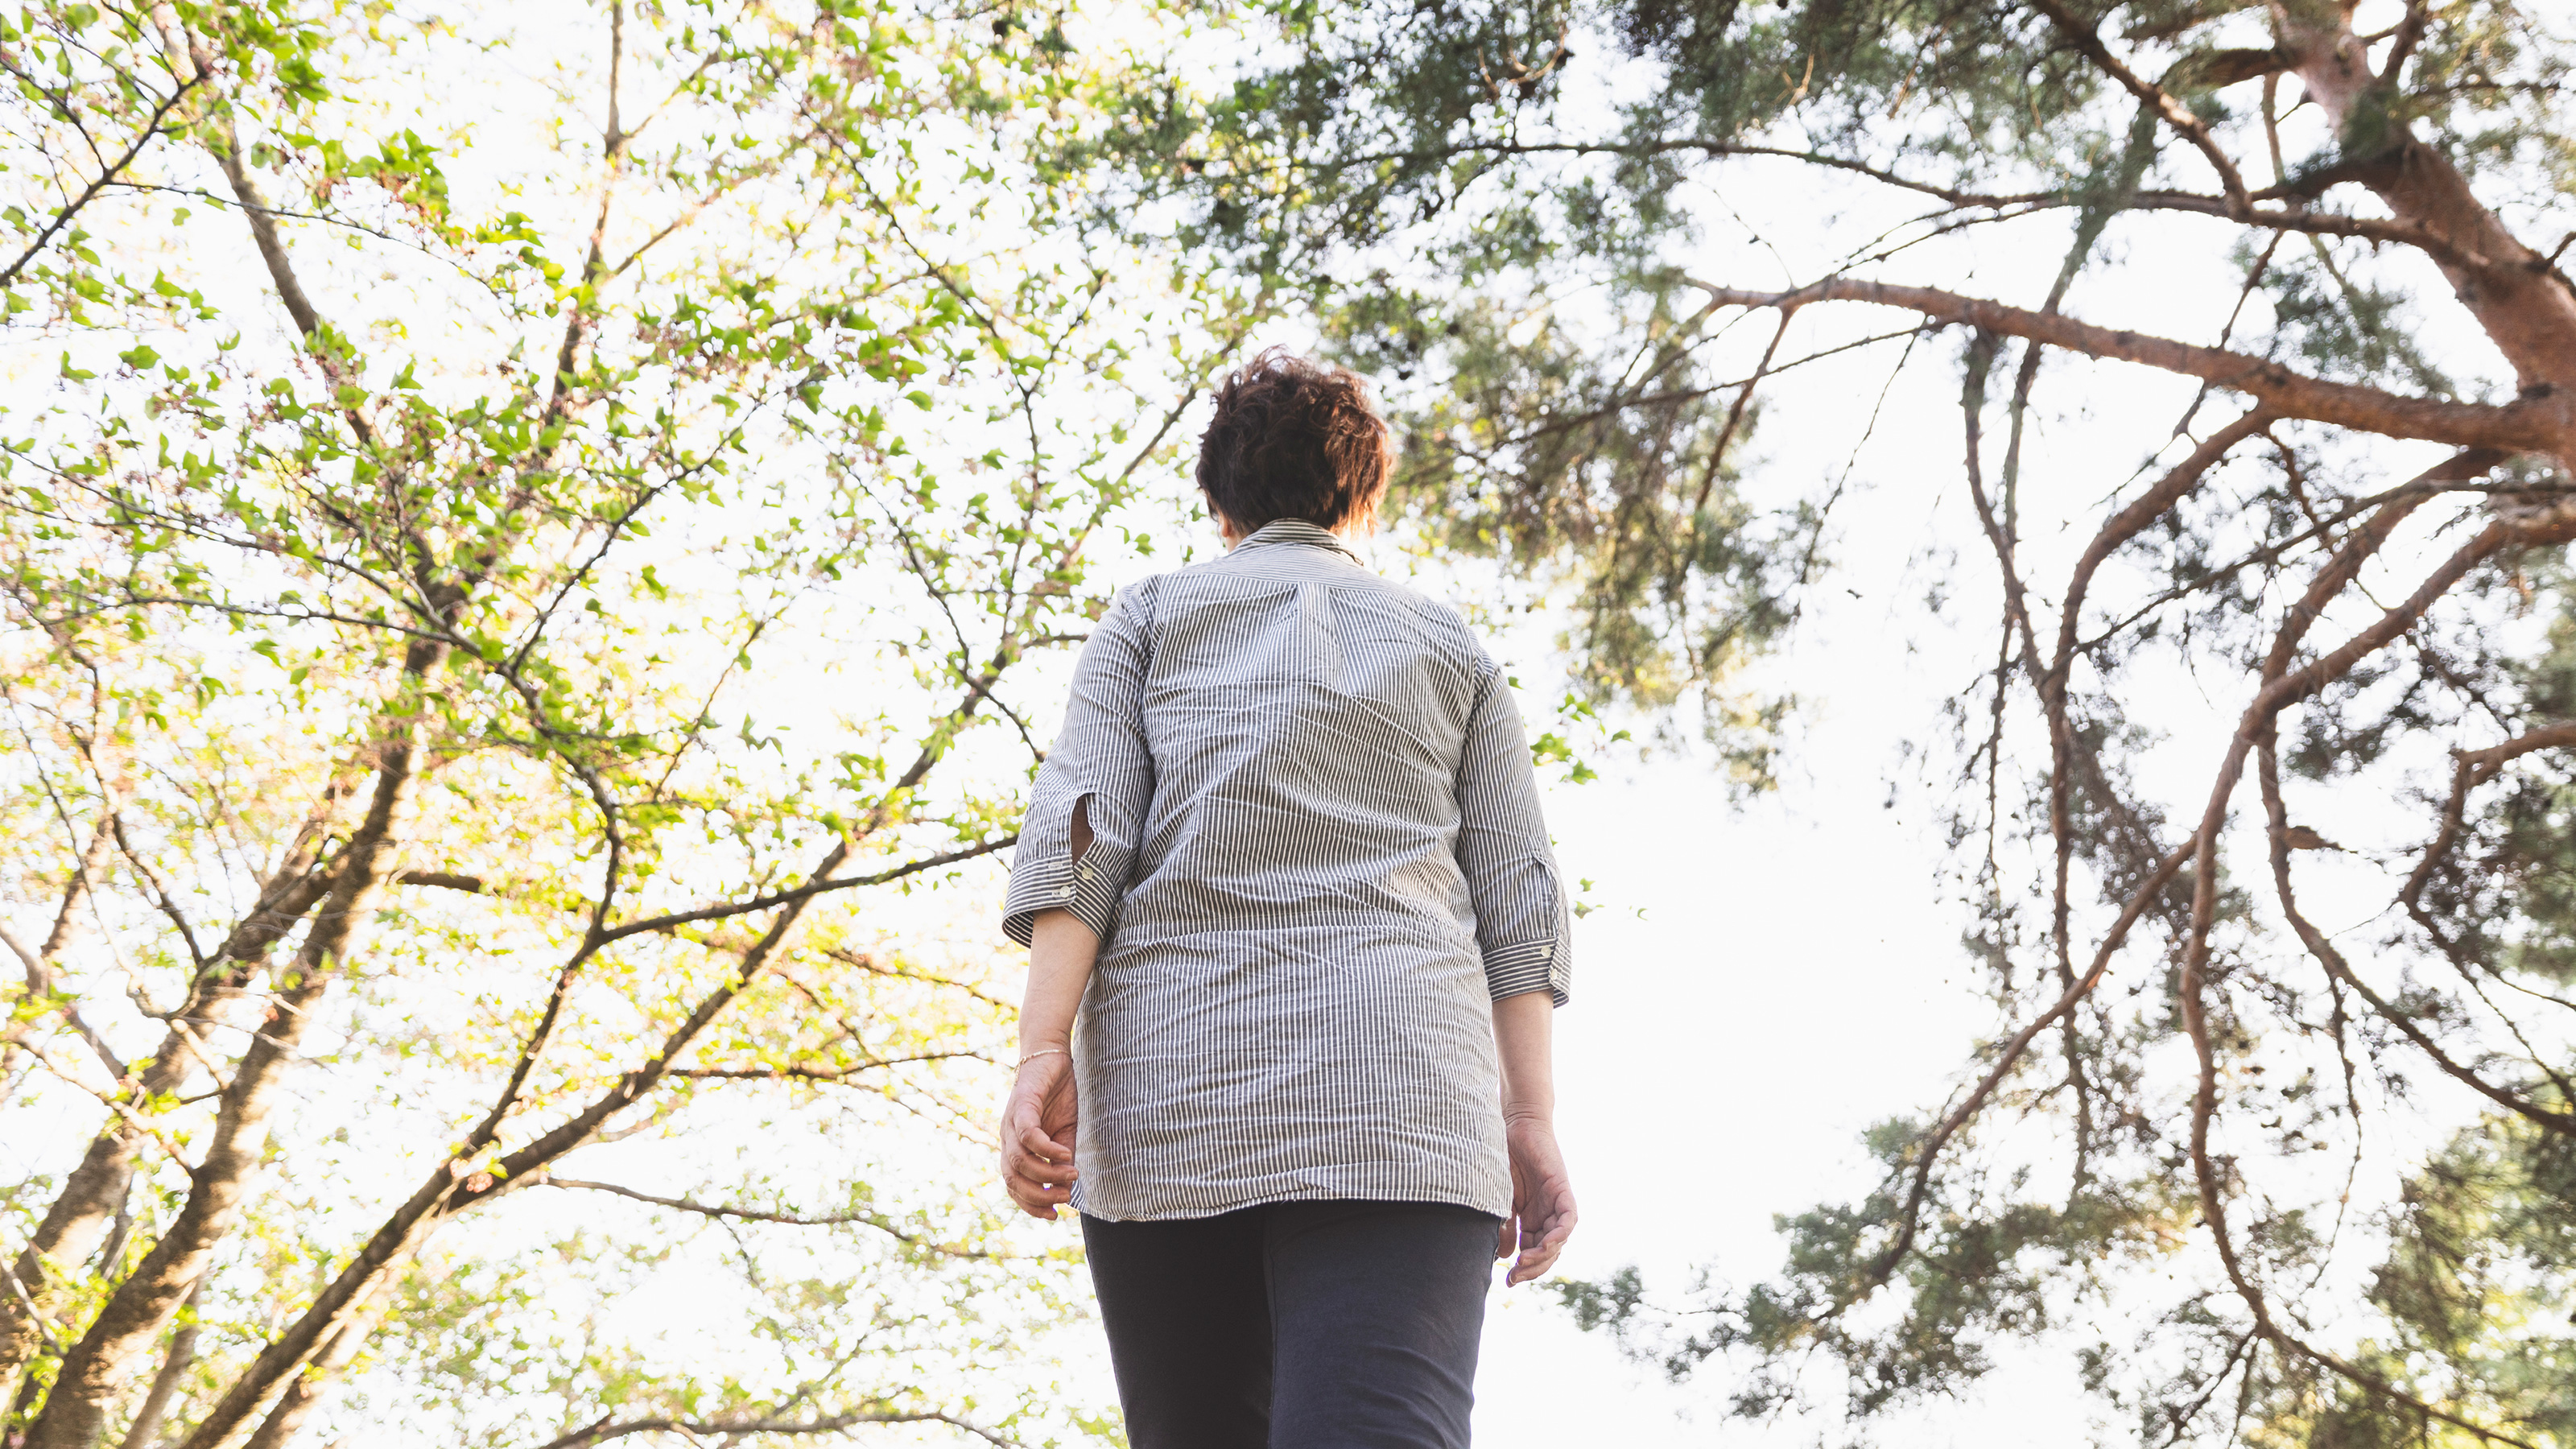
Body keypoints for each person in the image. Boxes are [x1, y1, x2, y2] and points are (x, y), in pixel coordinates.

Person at [995, 349, 1577, 1449]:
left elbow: (1084, 834)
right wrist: (1531, 1120)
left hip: (1174, 1108)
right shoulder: (1447, 644)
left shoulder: (1153, 617)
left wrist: (1039, 1055)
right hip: (1403, 1104)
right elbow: (1519, 898)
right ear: (1365, 495)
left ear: (1216, 502)